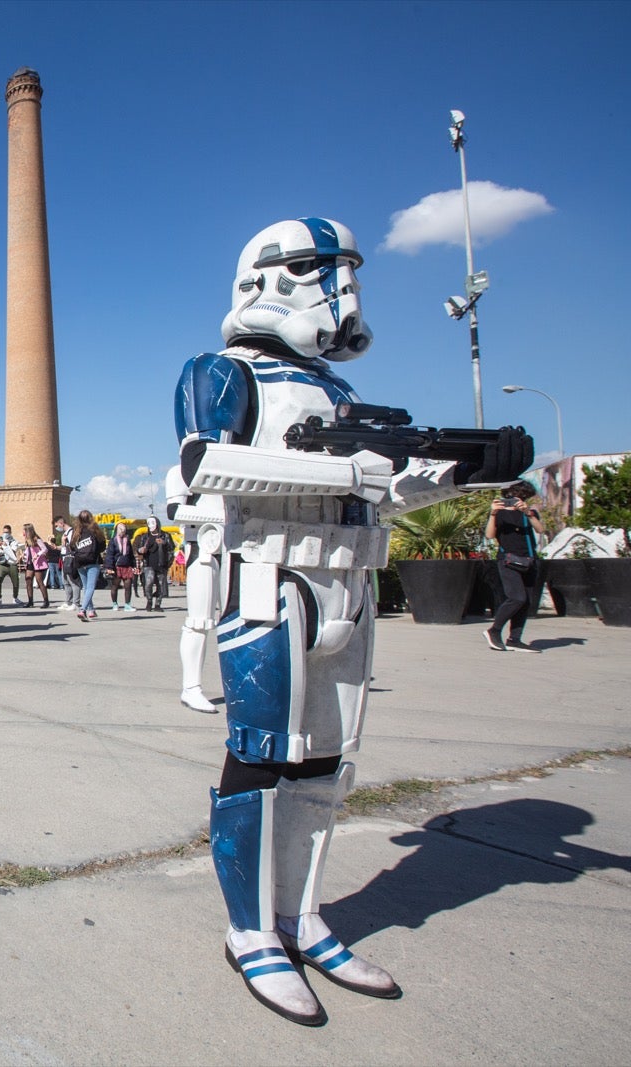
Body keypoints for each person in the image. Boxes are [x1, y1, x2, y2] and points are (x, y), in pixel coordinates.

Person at [180, 219, 530, 1025]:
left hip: (350, 586)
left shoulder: (339, 393)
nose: (335, 290)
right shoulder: (225, 373)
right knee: (261, 758)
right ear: (264, 279)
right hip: (270, 581)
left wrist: (463, 473)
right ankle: (250, 931)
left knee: (327, 765)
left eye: (342, 272)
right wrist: (349, 465)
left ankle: (301, 915)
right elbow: (205, 463)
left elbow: (387, 488)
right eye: (314, 269)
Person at [166, 465, 222, 713]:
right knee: (199, 620)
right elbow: (174, 511)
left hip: (242, 546)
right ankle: (191, 687)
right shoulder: (183, 470)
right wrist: (220, 517)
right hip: (204, 547)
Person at [485, 488, 544, 652]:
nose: (512, 502)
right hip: (508, 561)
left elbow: (540, 530)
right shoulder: (500, 514)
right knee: (517, 598)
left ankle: (515, 639)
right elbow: (490, 535)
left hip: (529, 560)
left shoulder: (528, 513)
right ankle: (494, 630)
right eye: (510, 499)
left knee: (526, 602)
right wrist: (493, 514)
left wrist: (528, 513)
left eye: (517, 499)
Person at [68, 510, 106, 621]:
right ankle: (83, 610)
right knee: (90, 587)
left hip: (80, 562)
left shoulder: (76, 531)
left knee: (86, 587)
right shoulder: (94, 529)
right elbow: (102, 545)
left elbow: (72, 546)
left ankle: (91, 610)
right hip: (92, 561)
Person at [134, 517, 175, 613]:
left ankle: (158, 604)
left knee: (160, 584)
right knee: (149, 583)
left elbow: (171, 548)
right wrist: (141, 550)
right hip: (149, 563)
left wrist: (164, 543)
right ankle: (149, 601)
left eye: (153, 522)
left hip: (162, 563)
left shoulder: (165, 535)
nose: (151, 525)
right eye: (149, 523)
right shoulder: (145, 537)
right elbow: (138, 549)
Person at [104, 522, 139, 612]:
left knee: (128, 585)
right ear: (117, 530)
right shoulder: (113, 541)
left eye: (124, 529)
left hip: (127, 566)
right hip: (116, 567)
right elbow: (109, 555)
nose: (122, 531)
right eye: (120, 529)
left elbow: (131, 554)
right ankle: (115, 604)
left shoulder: (127, 541)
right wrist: (109, 567)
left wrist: (134, 565)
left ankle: (127, 605)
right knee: (115, 586)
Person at [0, 527, 22, 606]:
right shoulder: (0, 541)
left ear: (10, 532)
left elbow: (14, 552)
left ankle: (15, 597)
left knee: (15, 582)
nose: (5, 534)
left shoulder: (14, 542)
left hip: (12, 563)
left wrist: (6, 546)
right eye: (4, 532)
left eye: (7, 532)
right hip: (2, 563)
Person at [22, 524, 50, 608]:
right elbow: (28, 550)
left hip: (38, 563)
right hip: (30, 562)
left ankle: (46, 601)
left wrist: (37, 555)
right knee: (28, 580)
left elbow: (45, 549)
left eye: (24, 530)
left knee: (39, 581)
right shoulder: (27, 540)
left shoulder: (36, 539)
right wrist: (24, 554)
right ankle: (30, 601)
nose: (23, 532)